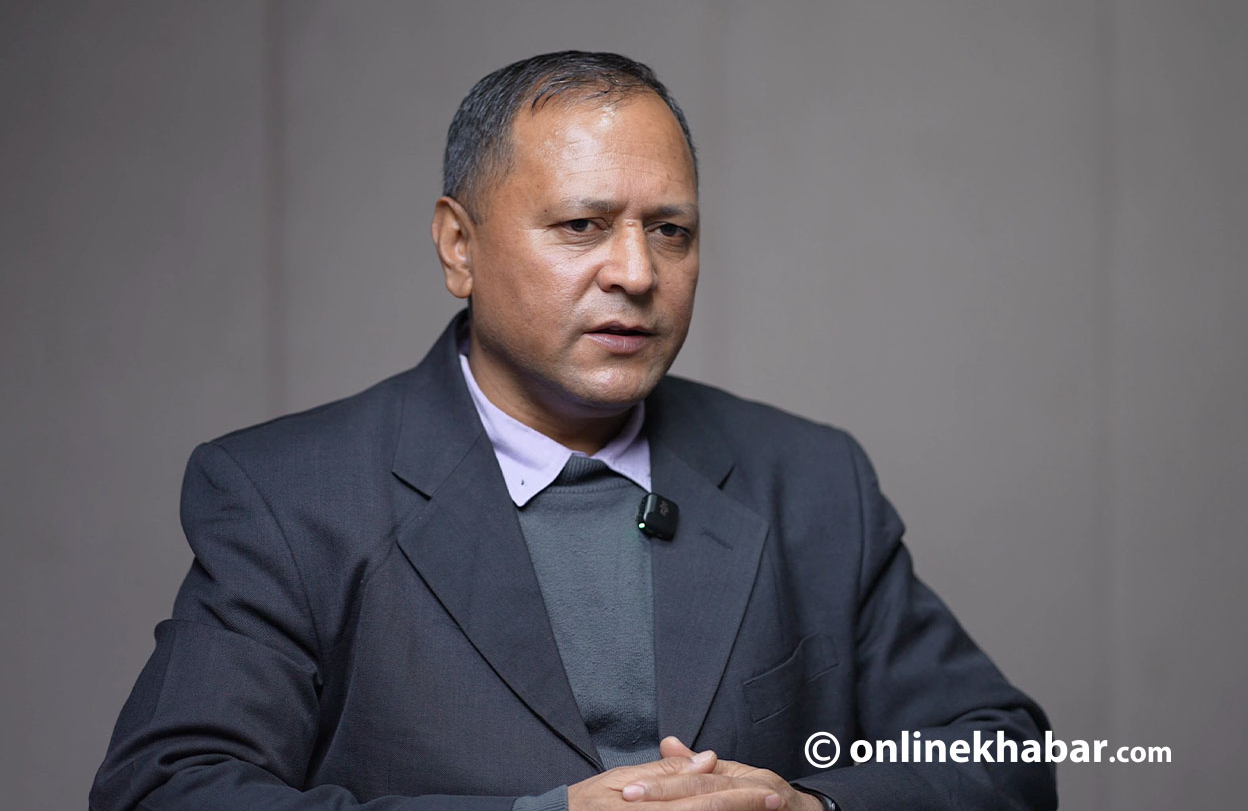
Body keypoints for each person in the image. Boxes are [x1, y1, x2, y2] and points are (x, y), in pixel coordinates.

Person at [90, 51, 1057, 811]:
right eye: (582, 226)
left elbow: (1002, 755)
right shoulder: (291, 494)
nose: (636, 272)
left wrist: (808, 805)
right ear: (458, 246)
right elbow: (166, 790)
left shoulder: (808, 478)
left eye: (670, 230)